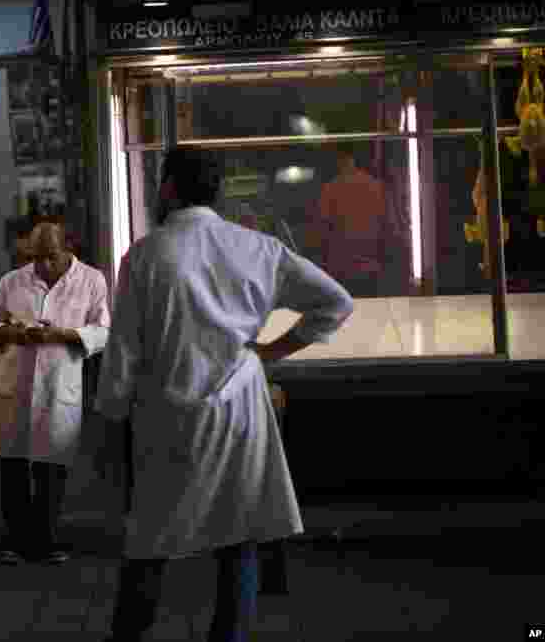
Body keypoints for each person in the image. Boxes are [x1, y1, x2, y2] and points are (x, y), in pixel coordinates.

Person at [94, 148, 353, 642]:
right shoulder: (257, 249)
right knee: (239, 537)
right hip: (241, 414)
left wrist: (108, 422)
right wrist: (269, 352)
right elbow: (335, 303)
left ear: (168, 188)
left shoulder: (146, 256)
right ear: (218, 191)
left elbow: (123, 353)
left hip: (168, 418)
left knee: (150, 542)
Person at [0, 222, 110, 565]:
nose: (42, 266)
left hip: (57, 383)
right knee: (13, 469)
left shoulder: (92, 280)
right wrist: (10, 332)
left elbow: (104, 330)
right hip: (14, 382)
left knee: (52, 471)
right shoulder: (12, 281)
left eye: (50, 257)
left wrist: (66, 335)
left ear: (68, 247)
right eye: (35, 258)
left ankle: (46, 540)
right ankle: (16, 540)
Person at [314, 144, 392, 297]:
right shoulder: (377, 187)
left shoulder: (331, 189)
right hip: (371, 266)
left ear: (338, 159)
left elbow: (322, 230)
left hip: (341, 267)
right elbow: (388, 227)